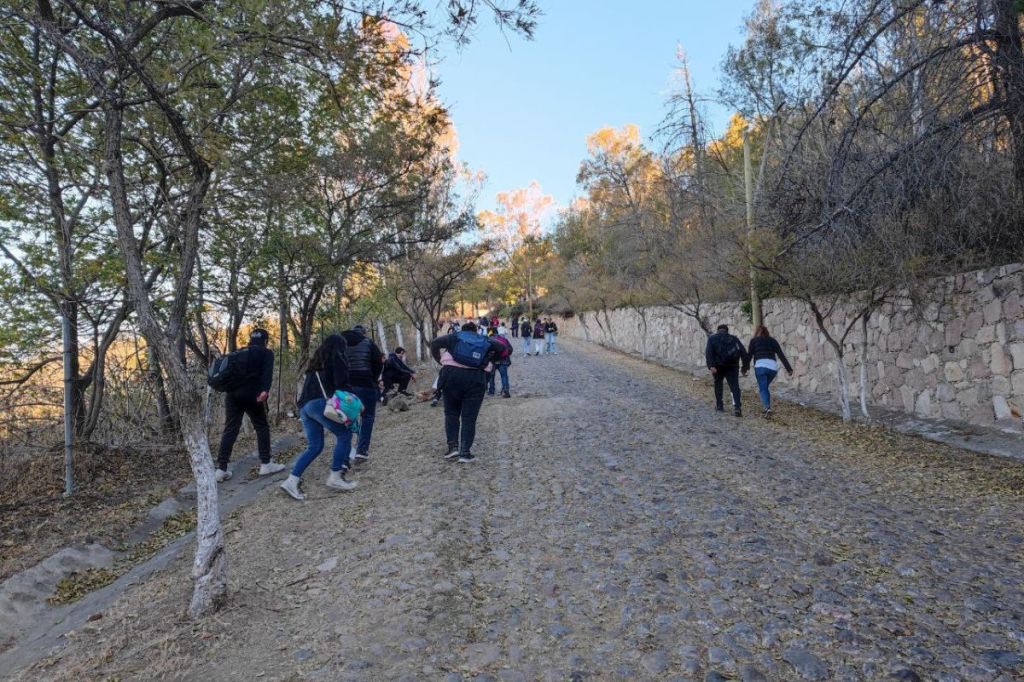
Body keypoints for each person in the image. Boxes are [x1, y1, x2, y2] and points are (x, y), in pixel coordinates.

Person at [281, 334, 356, 499]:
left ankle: (291, 481)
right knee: (344, 434)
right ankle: (335, 476)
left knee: (315, 446)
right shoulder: (336, 358)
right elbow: (341, 384)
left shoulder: (314, 365)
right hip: (320, 404)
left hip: (305, 407)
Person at [215, 328, 285, 482]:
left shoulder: (240, 352)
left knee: (230, 429)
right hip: (253, 395)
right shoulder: (266, 353)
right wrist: (264, 392)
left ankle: (221, 469)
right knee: (261, 427)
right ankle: (266, 464)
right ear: (265, 341)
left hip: (232, 395)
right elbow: (267, 374)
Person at [430, 322, 504, 463]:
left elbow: (435, 343)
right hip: (476, 378)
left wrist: (439, 360)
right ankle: (465, 452)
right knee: (469, 418)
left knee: (451, 413)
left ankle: (453, 448)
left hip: (450, 375)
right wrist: (490, 360)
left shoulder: (454, 337)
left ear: (462, 330)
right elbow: (503, 348)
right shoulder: (484, 340)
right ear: (476, 331)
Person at [341, 324, 384, 464]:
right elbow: (379, 362)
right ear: (363, 333)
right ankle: (361, 451)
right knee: (368, 417)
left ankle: (344, 455)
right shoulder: (368, 343)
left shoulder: (342, 343)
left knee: (347, 420)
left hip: (347, 386)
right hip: (366, 383)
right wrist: (374, 377)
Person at [747, 325, 794, 419]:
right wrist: (789, 369)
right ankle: (766, 407)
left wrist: (744, 368)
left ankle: (767, 408)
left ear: (757, 333)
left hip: (760, 367)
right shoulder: (773, 341)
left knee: (763, 388)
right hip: (772, 368)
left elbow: (749, 356)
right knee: (764, 387)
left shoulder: (754, 341)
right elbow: (781, 355)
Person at [705, 324, 750, 417]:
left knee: (718, 385)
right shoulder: (734, 339)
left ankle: (719, 405)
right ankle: (737, 407)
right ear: (727, 331)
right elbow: (743, 352)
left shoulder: (712, 339)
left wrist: (711, 366)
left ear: (718, 330)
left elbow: (709, 353)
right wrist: (745, 367)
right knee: (734, 387)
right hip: (732, 366)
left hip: (718, 367)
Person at [487, 329, 513, 398]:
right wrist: (505, 354)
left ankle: (491, 391)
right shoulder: (504, 339)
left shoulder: (489, 339)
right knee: (504, 376)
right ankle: (505, 390)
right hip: (503, 360)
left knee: (491, 377)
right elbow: (510, 349)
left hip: (492, 361)